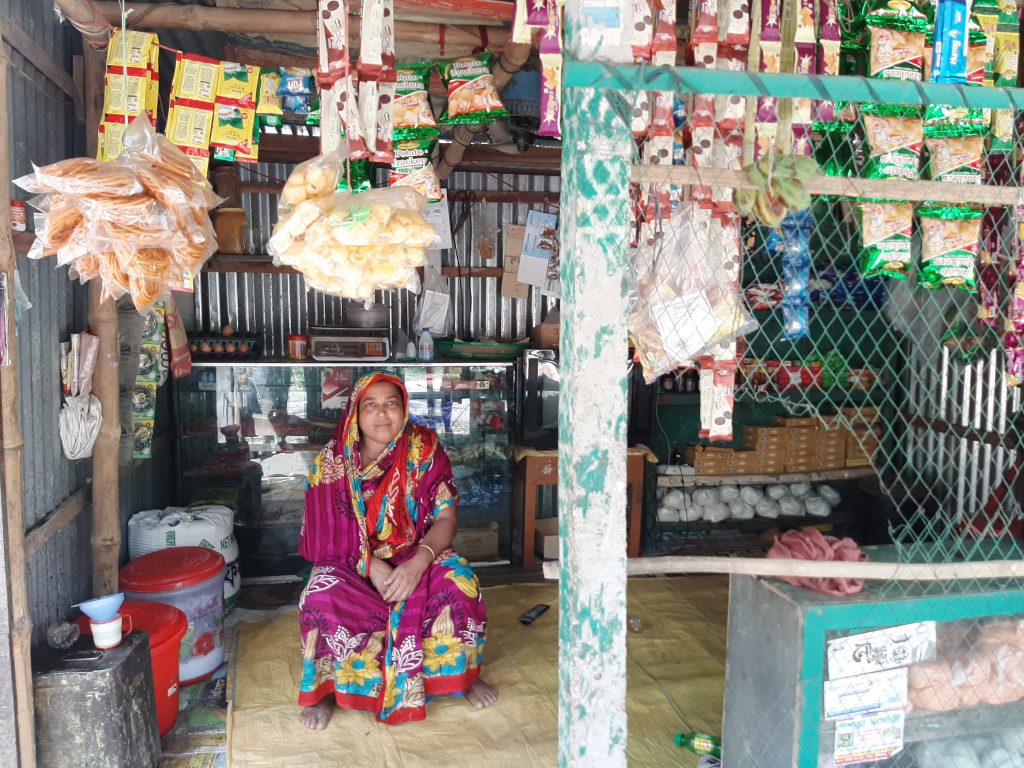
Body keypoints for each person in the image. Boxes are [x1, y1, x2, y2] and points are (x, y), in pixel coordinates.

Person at [297, 371, 497, 728]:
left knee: (460, 580)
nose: (382, 414)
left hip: (418, 551)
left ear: (404, 409)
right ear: (355, 414)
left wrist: (418, 562)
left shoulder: (424, 448)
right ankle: (327, 690)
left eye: (391, 404)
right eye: (370, 406)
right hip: (352, 562)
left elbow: (446, 518)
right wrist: (370, 565)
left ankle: (461, 675)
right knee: (319, 595)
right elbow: (323, 534)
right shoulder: (331, 462)